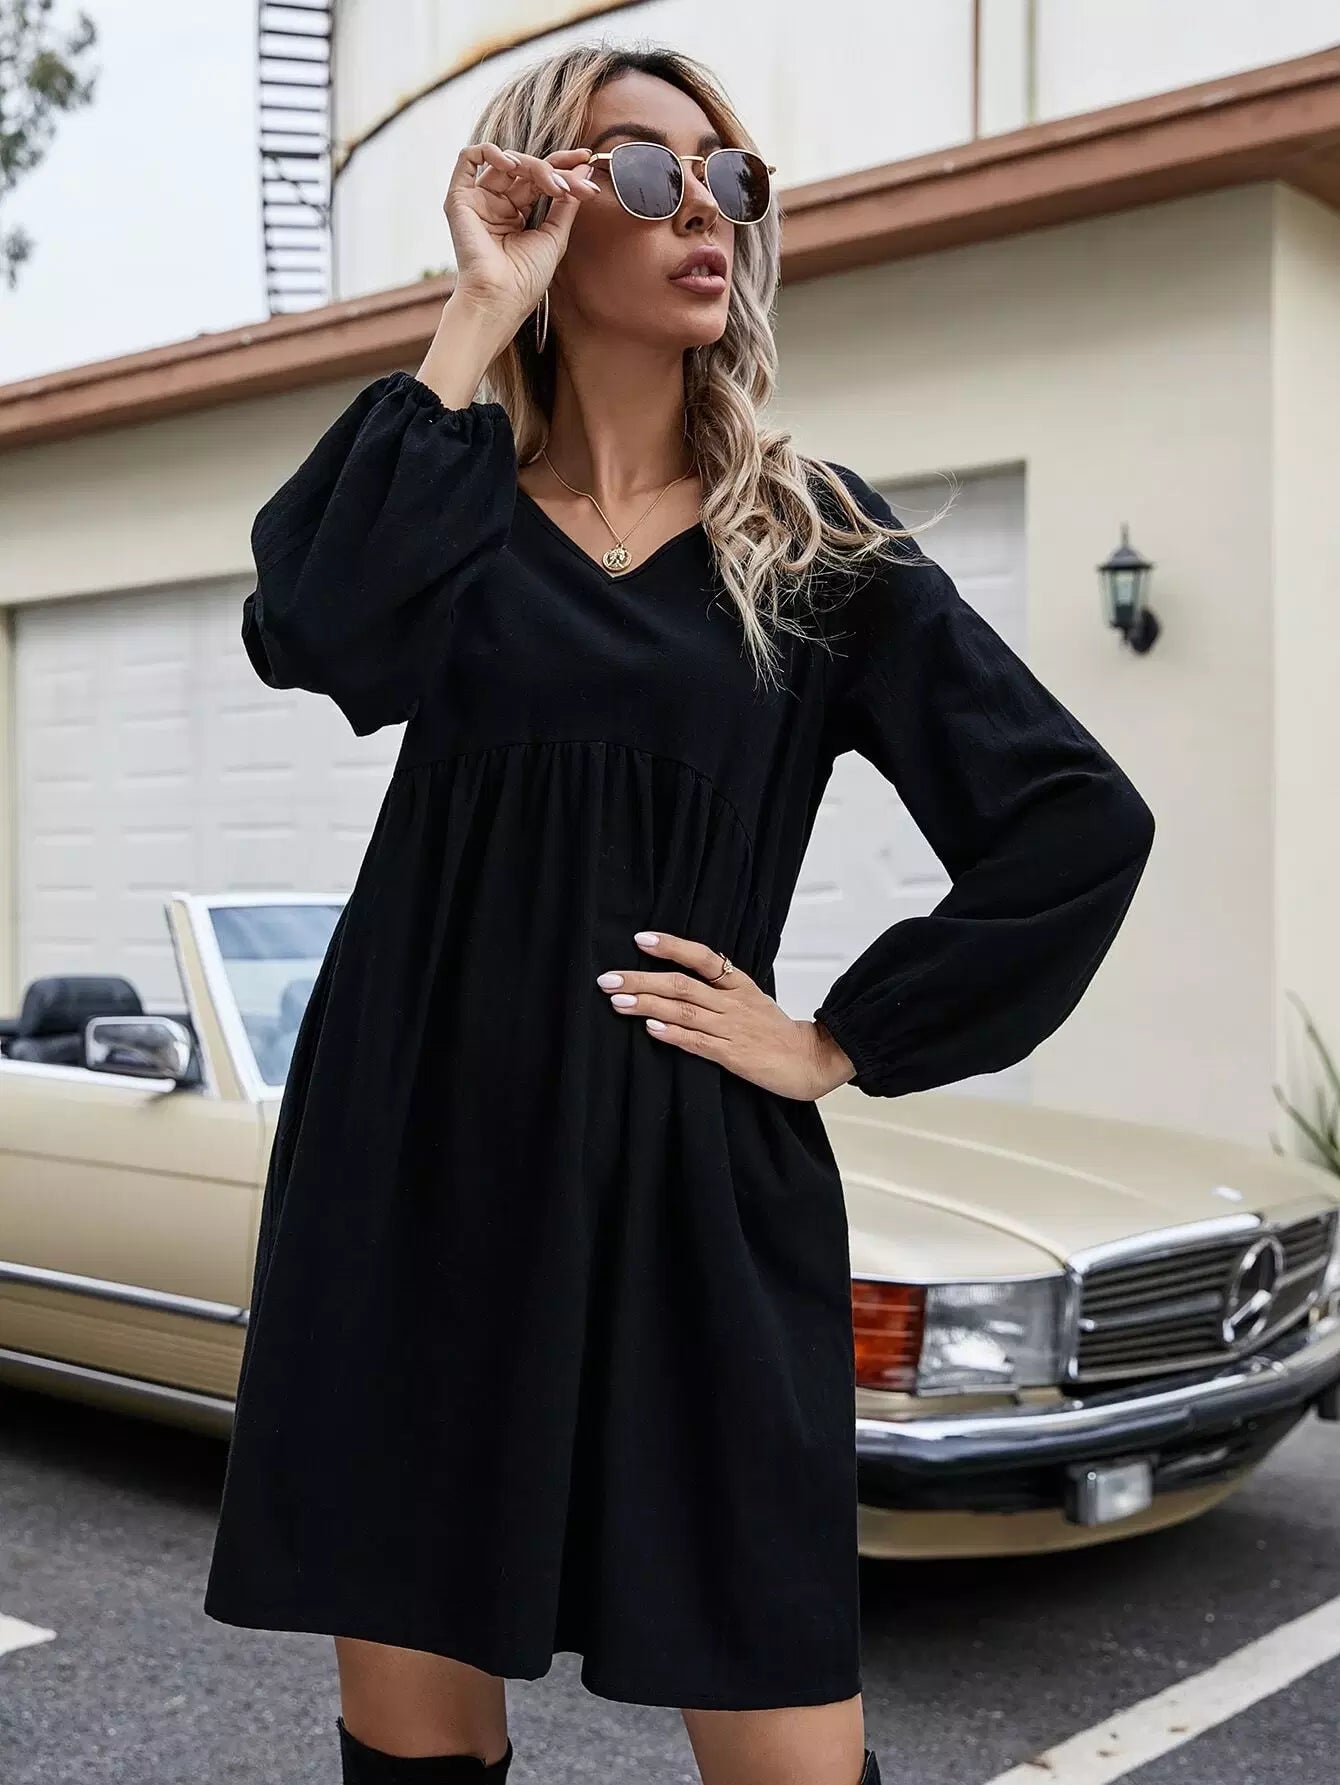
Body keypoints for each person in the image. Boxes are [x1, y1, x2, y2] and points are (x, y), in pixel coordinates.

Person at [202, 41, 1156, 1785]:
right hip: (421, 1165)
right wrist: (473, 315)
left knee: (786, 1729)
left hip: (693, 1188)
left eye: (728, 176)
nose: (703, 209)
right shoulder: (452, 516)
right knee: (416, 1740)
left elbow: (1074, 823)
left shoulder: (814, 540)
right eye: (643, 173)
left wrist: (840, 1038)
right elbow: (309, 628)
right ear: (544, 206)